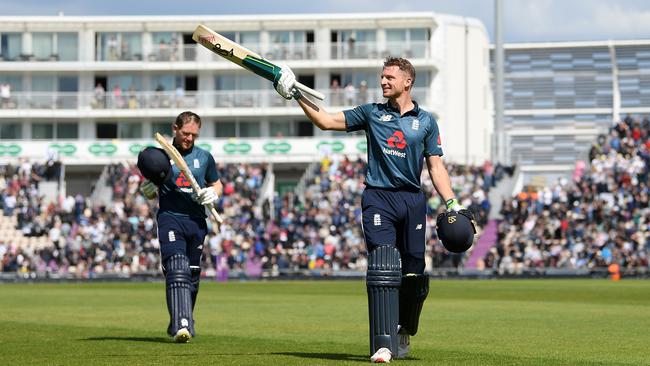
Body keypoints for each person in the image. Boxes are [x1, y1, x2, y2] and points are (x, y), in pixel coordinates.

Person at [274, 57, 475, 363]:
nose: (383, 81)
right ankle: (382, 343)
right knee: (383, 263)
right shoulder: (371, 113)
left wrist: (452, 202)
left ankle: (404, 328)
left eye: (389, 77)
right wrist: (296, 94)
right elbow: (326, 120)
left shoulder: (427, 121)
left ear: (407, 82)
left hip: (412, 200)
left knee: (413, 273)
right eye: (382, 77)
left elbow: (436, 167)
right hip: (378, 198)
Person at [138, 111, 223, 343]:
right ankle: (181, 324)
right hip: (170, 217)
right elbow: (150, 182)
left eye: (194, 135)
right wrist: (146, 189)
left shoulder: (204, 157)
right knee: (177, 269)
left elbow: (217, 183)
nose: (189, 138)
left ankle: (184, 317)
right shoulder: (161, 155)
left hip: (196, 221)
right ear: (175, 128)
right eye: (186, 133)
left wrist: (212, 194)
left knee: (192, 275)